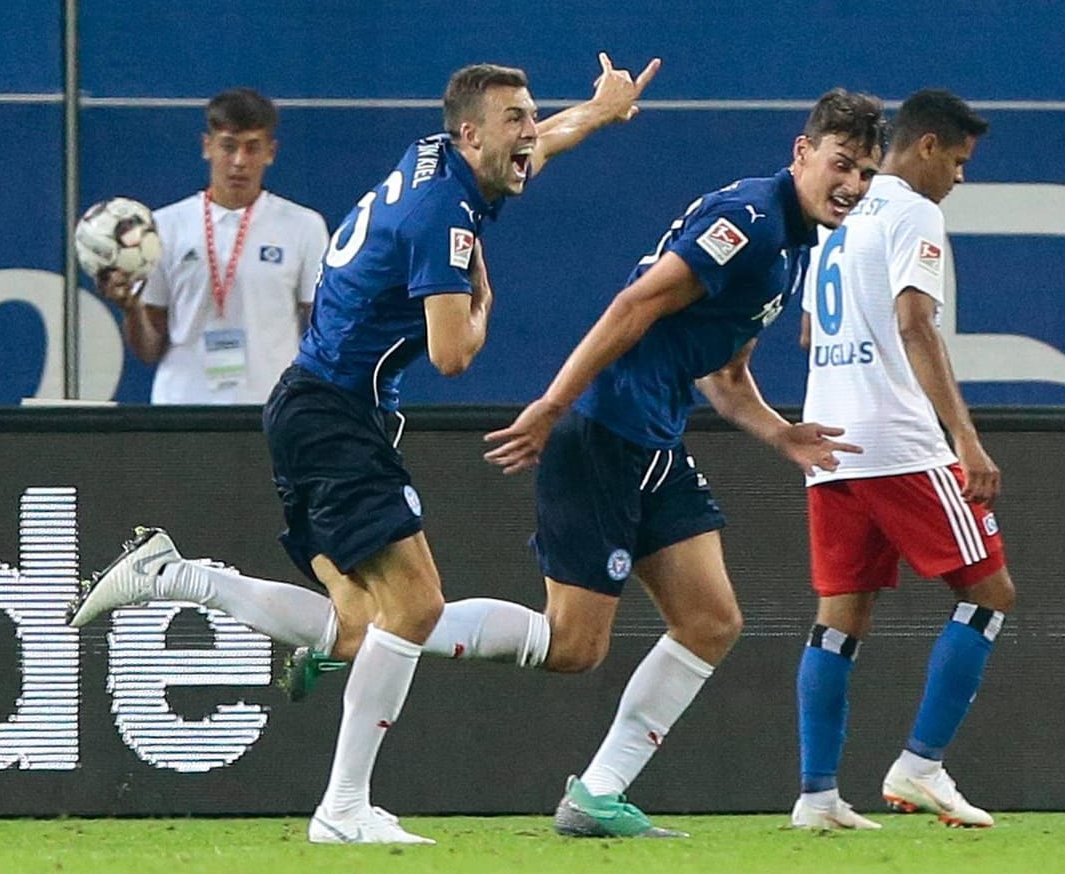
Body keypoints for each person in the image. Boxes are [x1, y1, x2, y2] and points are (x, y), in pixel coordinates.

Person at [68, 55, 660, 845]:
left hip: (320, 409)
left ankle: (174, 574)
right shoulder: (442, 217)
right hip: (334, 414)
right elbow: (453, 354)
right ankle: (342, 810)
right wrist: (484, 307)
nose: (528, 134)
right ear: (470, 132)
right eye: (514, 119)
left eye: (529, 116)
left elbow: (540, 145)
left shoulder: (441, 156)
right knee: (414, 608)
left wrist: (598, 108)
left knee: (357, 629)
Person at [480, 88, 884, 838]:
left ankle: (597, 796)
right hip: (605, 427)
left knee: (710, 620)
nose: (852, 186)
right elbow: (636, 305)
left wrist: (780, 434)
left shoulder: (790, 243)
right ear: (802, 153)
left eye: (865, 174)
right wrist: (555, 403)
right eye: (841, 165)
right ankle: (403, 629)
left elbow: (726, 378)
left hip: (654, 439)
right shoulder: (754, 223)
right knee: (573, 647)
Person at [789, 89, 1006, 831]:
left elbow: (811, 336)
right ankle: (921, 766)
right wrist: (965, 440)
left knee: (839, 619)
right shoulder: (916, 212)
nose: (959, 178)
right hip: (898, 440)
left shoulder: (837, 216)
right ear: (924, 148)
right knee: (990, 594)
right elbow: (915, 323)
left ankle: (817, 797)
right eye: (958, 160)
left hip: (830, 441)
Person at [96, 87, 330, 404]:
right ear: (207, 147)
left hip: (272, 408)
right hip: (182, 408)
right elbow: (149, 350)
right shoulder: (165, 226)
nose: (238, 162)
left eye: (252, 148)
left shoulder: (303, 226)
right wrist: (130, 309)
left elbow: (324, 332)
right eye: (228, 147)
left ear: (271, 152)